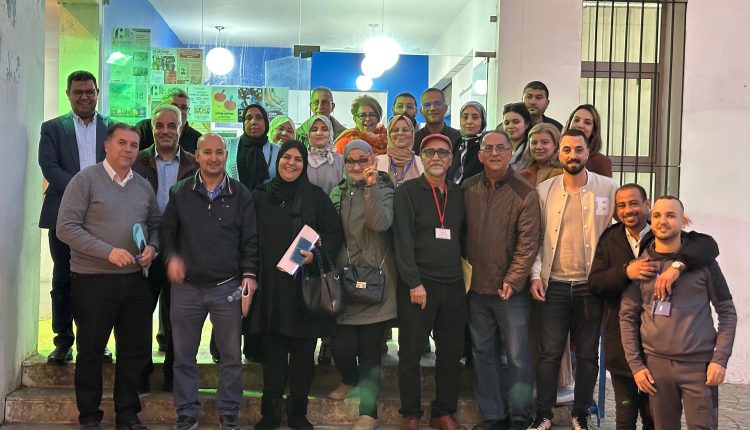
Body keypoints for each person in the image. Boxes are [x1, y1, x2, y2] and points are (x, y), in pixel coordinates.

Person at [589, 184, 719, 430]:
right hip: (622, 345)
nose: (628, 210)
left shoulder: (662, 232)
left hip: (658, 348)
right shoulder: (610, 238)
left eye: (634, 203)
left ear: (646, 205)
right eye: (621, 205)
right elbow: (595, 283)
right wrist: (626, 272)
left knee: (653, 417)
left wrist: (677, 265)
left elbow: (709, 246)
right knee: (625, 415)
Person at [56, 123, 160, 430]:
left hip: (135, 281)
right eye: (121, 143)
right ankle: (89, 417)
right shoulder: (85, 180)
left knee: (133, 352)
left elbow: (155, 224)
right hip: (93, 281)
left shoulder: (143, 186)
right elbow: (66, 228)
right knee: (90, 352)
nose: (128, 149)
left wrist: (153, 248)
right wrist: (108, 252)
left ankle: (127, 414)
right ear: (107, 145)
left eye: (133, 145)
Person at [160, 133, 258, 430]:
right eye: (207, 152)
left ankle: (229, 413)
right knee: (183, 356)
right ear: (198, 155)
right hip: (186, 288)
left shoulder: (241, 194)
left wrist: (249, 276)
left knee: (231, 357)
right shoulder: (180, 191)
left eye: (219, 152)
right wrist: (171, 258)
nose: (213, 158)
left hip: (227, 288)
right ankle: (187, 412)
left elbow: (250, 240)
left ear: (226, 156)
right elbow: (167, 234)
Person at [249, 141, 344, 430]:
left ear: (304, 165)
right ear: (277, 160)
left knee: (303, 357)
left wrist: (316, 255)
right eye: (286, 157)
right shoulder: (260, 195)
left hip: (304, 290)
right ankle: (270, 414)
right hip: (271, 290)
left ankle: (297, 414)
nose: (291, 163)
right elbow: (247, 236)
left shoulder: (316, 198)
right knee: (273, 356)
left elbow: (334, 235)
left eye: (298, 159)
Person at [527, 128, 618, 430]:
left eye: (578, 149)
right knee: (549, 354)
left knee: (588, 355)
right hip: (553, 284)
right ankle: (543, 415)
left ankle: (580, 414)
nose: (572, 155)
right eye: (566, 150)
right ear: (559, 153)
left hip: (590, 286)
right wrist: (535, 275)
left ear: (588, 152)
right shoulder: (545, 190)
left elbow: (631, 224)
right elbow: (537, 239)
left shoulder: (608, 188)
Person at [620, 196, 736, 430]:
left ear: (683, 221)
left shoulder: (704, 264)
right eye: (657, 215)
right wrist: (637, 366)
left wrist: (720, 360)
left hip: (699, 368)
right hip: (656, 368)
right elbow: (627, 317)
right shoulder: (641, 267)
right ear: (650, 220)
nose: (663, 221)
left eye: (671, 215)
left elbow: (727, 313)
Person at [463, 130, 541, 430]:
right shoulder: (467, 188)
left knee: (518, 357)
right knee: (483, 354)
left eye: (500, 148)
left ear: (510, 153)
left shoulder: (525, 192)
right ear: (480, 155)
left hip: (511, 292)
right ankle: (493, 416)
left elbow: (528, 243)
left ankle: (521, 416)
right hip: (475, 289)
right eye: (488, 148)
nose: (494, 153)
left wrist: (514, 279)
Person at [38, 70, 113, 365]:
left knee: (99, 282)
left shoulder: (112, 128)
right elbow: (49, 167)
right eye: (78, 92)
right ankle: (63, 341)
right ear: (68, 94)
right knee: (63, 279)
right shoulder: (52, 128)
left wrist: (96, 195)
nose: (84, 97)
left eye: (89, 91)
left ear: (97, 93)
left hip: (103, 217)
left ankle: (96, 342)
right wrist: (83, 191)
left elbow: (119, 165)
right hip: (63, 216)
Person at [393, 134, 467, 430]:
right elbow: (402, 240)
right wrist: (414, 282)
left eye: (442, 152)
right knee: (410, 353)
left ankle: (443, 412)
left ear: (451, 159)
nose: (436, 157)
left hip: (454, 285)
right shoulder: (407, 192)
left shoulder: (459, 193)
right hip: (419, 285)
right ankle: (411, 413)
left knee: (451, 354)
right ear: (421, 158)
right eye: (429, 152)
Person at [328, 140, 397, 430]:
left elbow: (380, 223)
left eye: (362, 159)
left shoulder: (385, 187)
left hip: (376, 280)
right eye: (350, 161)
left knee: (370, 351)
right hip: (345, 278)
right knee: (341, 346)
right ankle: (349, 379)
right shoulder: (337, 191)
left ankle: (369, 413)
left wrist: (370, 187)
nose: (356, 166)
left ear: (372, 160)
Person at [132, 105, 198, 393]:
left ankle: (173, 376)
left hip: (179, 251)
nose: (165, 131)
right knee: (138, 315)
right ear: (152, 128)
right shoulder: (137, 160)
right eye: (159, 125)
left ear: (181, 128)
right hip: (143, 250)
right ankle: (140, 375)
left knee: (178, 318)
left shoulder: (195, 164)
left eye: (172, 125)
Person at [517, 123, 573, 404]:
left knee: (554, 327)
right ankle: (535, 380)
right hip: (526, 252)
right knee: (531, 325)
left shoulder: (563, 177)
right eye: (534, 142)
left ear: (556, 146)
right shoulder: (522, 175)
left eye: (544, 142)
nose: (539, 147)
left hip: (554, 257)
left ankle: (562, 382)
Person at [226, 104, 281, 191]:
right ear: (243, 123)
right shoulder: (228, 145)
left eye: (259, 117)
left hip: (266, 199)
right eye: (248, 118)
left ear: (265, 122)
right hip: (234, 199)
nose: (253, 122)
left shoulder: (277, 150)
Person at [135, 88, 202, 154]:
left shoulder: (196, 138)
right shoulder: (143, 128)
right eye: (174, 106)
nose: (179, 111)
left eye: (184, 108)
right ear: (162, 106)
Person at [563, 104, 612, 177]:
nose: (580, 125)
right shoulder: (554, 156)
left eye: (587, 123)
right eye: (576, 120)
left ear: (594, 130)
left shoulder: (601, 162)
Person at [376, 114, 423, 187]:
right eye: (395, 130)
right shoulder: (377, 162)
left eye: (405, 130)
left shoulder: (422, 162)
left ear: (412, 133)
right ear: (389, 134)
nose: (400, 133)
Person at [448, 101, 487, 184]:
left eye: (475, 117)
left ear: (483, 121)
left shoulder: (486, 144)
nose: (469, 122)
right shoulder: (456, 142)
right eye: (465, 117)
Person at [413, 88, 461, 154]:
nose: (432, 108)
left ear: (446, 108)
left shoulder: (458, 138)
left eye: (437, 104)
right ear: (421, 111)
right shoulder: (413, 140)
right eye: (427, 105)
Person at [306, 114, 345, 195]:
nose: (319, 133)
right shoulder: (301, 159)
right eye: (314, 130)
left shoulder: (341, 161)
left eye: (324, 129)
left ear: (330, 132)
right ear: (308, 134)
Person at [500, 102, 532, 171]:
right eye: (506, 123)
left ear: (526, 124)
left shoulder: (532, 150)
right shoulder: (497, 147)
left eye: (516, 122)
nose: (510, 126)